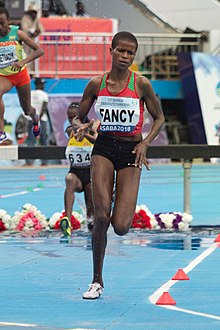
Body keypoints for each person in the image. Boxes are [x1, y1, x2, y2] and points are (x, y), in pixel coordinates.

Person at [73, 31, 165, 299]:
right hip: (103, 148)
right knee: (101, 216)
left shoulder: (141, 84)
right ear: (110, 50)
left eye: (130, 53)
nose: (125, 56)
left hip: (130, 152)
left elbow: (159, 118)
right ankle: (96, 281)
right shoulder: (96, 84)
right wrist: (80, 127)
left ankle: (115, 194)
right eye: (121, 51)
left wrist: (145, 142)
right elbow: (78, 119)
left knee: (122, 226)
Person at [0, 7, 43, 143]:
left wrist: (22, 62)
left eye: (2, 23)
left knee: (27, 110)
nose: (0, 27)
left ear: (8, 22)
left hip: (21, 75)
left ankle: (35, 119)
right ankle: (1, 133)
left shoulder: (17, 33)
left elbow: (39, 50)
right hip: (4, 76)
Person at [60, 102, 98, 237]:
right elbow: (75, 131)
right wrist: (81, 130)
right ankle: (68, 221)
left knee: (91, 218)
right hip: (75, 173)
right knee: (68, 179)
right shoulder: (69, 131)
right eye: (69, 117)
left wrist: (86, 132)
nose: (71, 120)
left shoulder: (93, 129)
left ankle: (92, 224)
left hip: (90, 176)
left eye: (73, 116)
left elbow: (97, 141)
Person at [25, 78, 49, 166]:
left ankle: (29, 161)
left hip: (32, 119)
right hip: (41, 120)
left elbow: (28, 107)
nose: (43, 86)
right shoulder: (44, 94)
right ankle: (44, 161)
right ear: (39, 85)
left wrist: (34, 118)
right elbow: (44, 107)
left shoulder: (30, 93)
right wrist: (39, 118)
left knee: (31, 140)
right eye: (42, 84)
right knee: (43, 140)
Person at [20, 5, 43, 73]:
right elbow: (25, 28)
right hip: (26, 41)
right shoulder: (25, 18)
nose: (34, 14)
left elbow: (41, 28)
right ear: (29, 12)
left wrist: (38, 31)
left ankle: (33, 73)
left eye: (35, 12)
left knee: (35, 57)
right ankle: (27, 72)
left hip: (34, 41)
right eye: (32, 12)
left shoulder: (36, 19)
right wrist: (32, 32)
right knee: (26, 55)